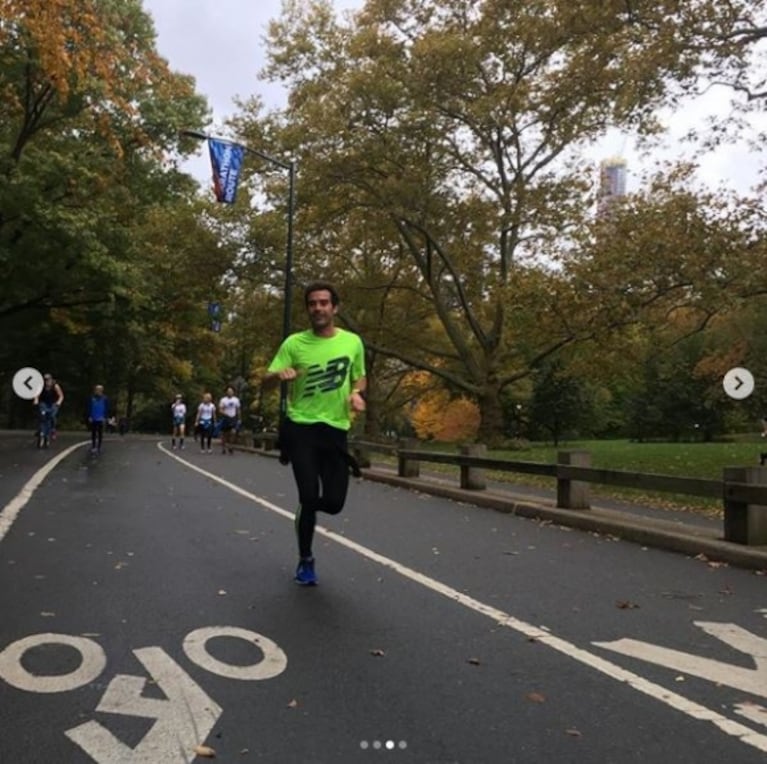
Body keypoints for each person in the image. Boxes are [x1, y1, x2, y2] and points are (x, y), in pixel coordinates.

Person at [262, 281, 366, 586]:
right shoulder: (294, 344)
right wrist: (277, 377)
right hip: (301, 427)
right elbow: (264, 381)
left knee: (333, 503)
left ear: (335, 308)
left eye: (323, 303)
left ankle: (306, 509)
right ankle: (306, 559)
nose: (317, 308)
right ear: (308, 309)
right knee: (309, 496)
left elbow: (359, 378)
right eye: (312, 303)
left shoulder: (352, 343)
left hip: (335, 430)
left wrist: (357, 395)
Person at [33, 373, 64, 440]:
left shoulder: (55, 386)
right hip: (44, 403)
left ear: (51, 379)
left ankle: (53, 430)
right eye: (45, 380)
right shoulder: (41, 386)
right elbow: (37, 394)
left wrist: (58, 402)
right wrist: (36, 400)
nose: (47, 381)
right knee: (42, 416)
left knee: (52, 416)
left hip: (53, 403)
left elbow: (61, 395)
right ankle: (40, 429)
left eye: (48, 380)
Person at [218, 385, 241, 454]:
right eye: (228, 391)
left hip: (233, 417)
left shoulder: (236, 400)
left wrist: (239, 418)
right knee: (225, 434)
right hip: (226, 417)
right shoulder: (223, 400)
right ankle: (224, 447)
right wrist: (225, 413)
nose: (230, 393)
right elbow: (220, 410)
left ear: (233, 392)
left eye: (231, 391)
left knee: (233, 432)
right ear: (226, 392)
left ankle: (231, 446)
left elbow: (238, 409)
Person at [87, 384, 109, 454]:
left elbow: (107, 408)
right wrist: (89, 416)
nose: (97, 391)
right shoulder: (92, 398)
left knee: (100, 433)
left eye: (99, 390)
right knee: (93, 433)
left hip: (101, 418)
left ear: (102, 390)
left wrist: (105, 417)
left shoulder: (105, 398)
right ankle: (93, 446)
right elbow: (89, 407)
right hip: (93, 417)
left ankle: (99, 447)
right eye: (96, 390)